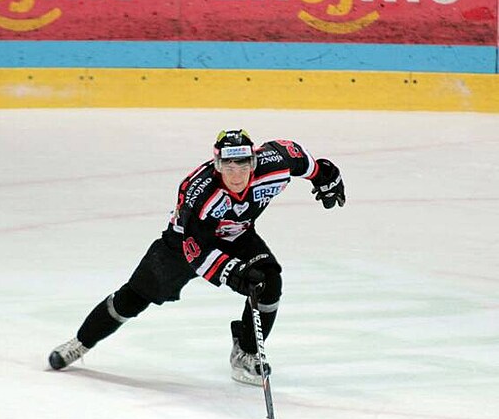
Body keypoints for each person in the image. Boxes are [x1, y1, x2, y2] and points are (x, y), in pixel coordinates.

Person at [48, 129, 345, 385]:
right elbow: (196, 251)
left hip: (238, 234)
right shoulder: (199, 193)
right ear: (217, 165)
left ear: (254, 161)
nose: (236, 174)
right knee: (133, 297)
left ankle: (246, 353)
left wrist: (325, 177)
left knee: (270, 282)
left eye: (243, 165)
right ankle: (81, 342)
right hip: (182, 246)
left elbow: (303, 160)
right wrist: (235, 274)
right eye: (228, 166)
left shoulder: (276, 162)